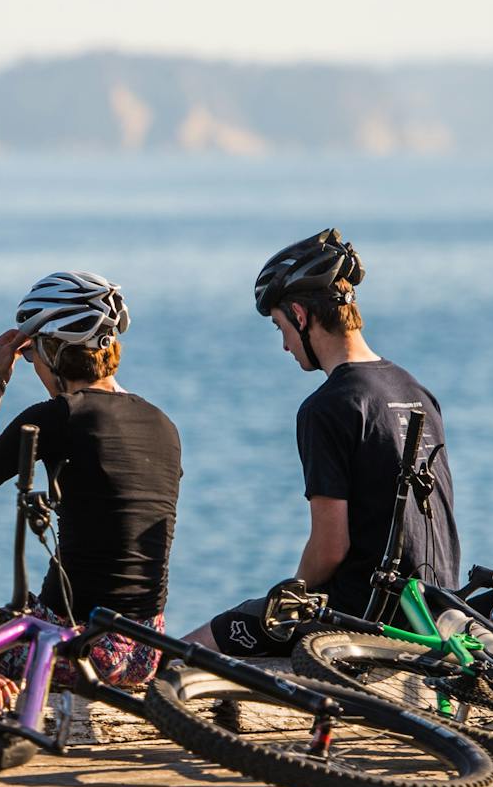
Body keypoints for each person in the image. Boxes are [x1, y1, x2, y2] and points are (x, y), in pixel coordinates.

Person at [184, 228, 459, 657]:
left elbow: (331, 547)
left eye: (281, 327)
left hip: (368, 616)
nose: (284, 345)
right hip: (435, 607)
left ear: (300, 314)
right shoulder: (415, 389)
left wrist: (290, 595)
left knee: (195, 646)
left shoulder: (329, 406)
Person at [0, 270, 182, 703]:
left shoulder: (60, 416)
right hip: (146, 649)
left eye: (35, 353)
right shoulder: (161, 423)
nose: (35, 365)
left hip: (79, 647)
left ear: (53, 351)